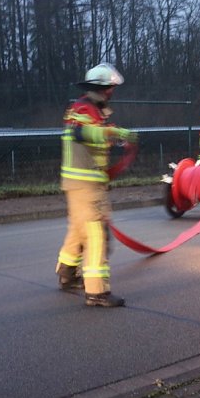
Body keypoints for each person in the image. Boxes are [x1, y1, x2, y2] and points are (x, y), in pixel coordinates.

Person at [56, 63, 137, 308]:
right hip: (86, 184)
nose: (112, 91)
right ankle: (97, 292)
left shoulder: (88, 109)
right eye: (110, 87)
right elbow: (82, 133)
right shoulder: (84, 108)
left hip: (80, 183)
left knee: (78, 230)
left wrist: (112, 135)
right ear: (102, 88)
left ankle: (67, 274)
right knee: (95, 234)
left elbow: (91, 136)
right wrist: (116, 134)